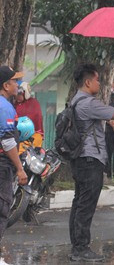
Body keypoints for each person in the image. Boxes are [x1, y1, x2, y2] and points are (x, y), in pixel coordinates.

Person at [69, 63, 114, 262]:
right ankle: (80, 248)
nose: (100, 84)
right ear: (88, 81)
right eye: (98, 80)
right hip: (90, 159)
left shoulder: (75, 100)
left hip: (80, 159)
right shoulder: (88, 103)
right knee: (86, 205)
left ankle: (78, 246)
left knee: (79, 203)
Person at [0, 66, 28, 262]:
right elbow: (8, 141)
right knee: (2, 209)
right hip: (3, 165)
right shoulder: (5, 107)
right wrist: (19, 168)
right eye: (15, 81)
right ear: (5, 85)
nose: (18, 85)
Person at [14, 81, 44, 148]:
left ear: (25, 93)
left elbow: (37, 123)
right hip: (16, 135)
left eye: (19, 95)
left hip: (34, 135)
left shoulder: (33, 104)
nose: (17, 97)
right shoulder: (13, 104)